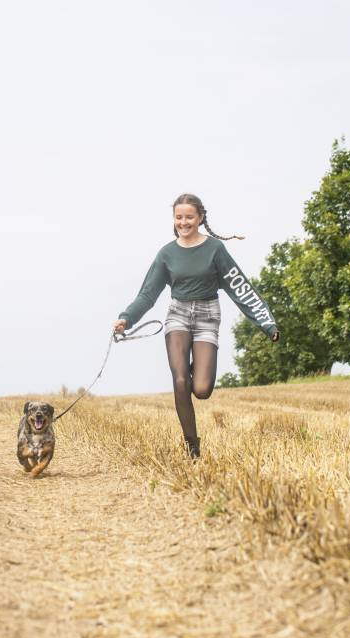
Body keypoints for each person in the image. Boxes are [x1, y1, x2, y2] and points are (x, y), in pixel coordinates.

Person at [113, 194, 278, 458]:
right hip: (177, 314)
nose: (184, 222)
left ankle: (196, 370)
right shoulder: (166, 254)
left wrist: (267, 323)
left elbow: (241, 289)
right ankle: (192, 446)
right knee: (180, 380)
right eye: (179, 217)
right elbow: (147, 294)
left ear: (200, 218)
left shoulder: (215, 250)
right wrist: (127, 318)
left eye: (189, 217)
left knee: (201, 390)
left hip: (207, 316)